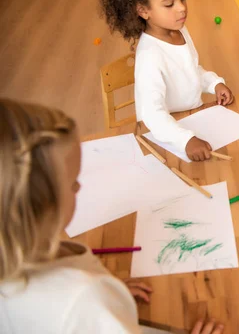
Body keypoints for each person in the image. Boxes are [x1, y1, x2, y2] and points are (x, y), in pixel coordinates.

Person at [0, 98, 224, 333]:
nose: (79, 188)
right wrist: (97, 303)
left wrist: (106, 296)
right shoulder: (82, 302)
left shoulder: (29, 254)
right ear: (35, 210)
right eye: (73, 183)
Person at [98, 0, 233, 162]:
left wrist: (213, 83)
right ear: (143, 10)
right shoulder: (150, 56)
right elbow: (153, 115)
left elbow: (190, 69)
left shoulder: (179, 30)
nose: (181, 8)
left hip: (190, 120)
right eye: (169, 4)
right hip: (165, 138)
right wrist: (186, 140)